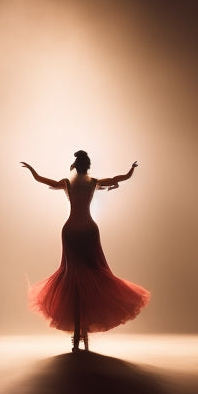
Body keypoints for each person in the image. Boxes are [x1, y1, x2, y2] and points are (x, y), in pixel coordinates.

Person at [21, 150, 150, 352]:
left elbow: (43, 180)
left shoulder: (67, 182)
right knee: (92, 275)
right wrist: (130, 170)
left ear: (75, 165)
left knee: (72, 278)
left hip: (71, 230)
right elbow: (119, 178)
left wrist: (32, 171)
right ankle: (83, 332)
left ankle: (77, 334)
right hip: (88, 230)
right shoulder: (92, 182)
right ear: (87, 166)